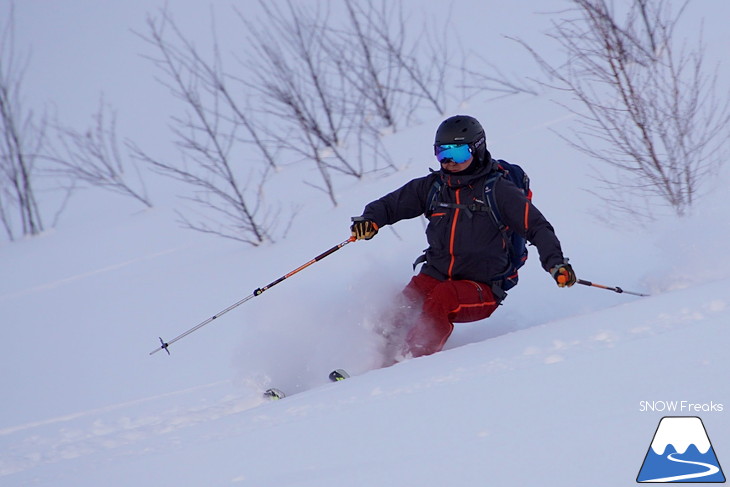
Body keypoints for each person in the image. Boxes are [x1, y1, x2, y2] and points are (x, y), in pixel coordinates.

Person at [350, 115, 576, 363]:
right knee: (399, 307)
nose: (449, 162)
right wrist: (370, 220)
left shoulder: (497, 191)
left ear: (477, 150)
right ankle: (367, 363)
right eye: (442, 153)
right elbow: (392, 205)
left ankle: (407, 364)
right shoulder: (434, 187)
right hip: (436, 273)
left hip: (483, 287)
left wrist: (556, 263)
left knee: (442, 299)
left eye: (457, 153)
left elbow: (537, 227)